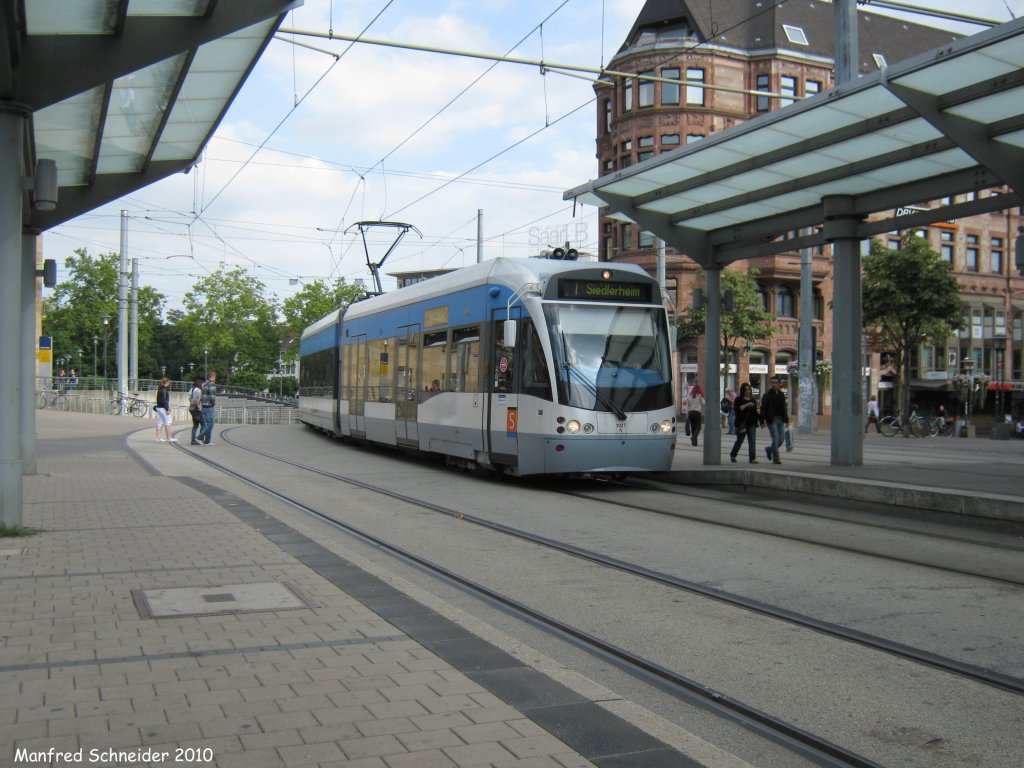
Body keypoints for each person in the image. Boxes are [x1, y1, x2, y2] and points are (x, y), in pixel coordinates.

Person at [760, 376, 789, 464]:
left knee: (781, 439)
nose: (774, 384)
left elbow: (784, 408)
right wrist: (761, 421)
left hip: (780, 419)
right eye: (772, 382)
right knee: (775, 438)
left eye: (776, 383)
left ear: (779, 384)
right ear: (770, 384)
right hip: (771, 420)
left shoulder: (781, 395)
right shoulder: (766, 395)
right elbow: (763, 409)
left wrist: (786, 420)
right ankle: (776, 459)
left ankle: (769, 449)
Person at [729, 383, 760, 463]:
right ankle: (733, 454)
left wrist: (761, 421)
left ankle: (752, 458)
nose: (747, 391)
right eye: (745, 390)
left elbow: (755, 412)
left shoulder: (753, 399)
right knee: (740, 441)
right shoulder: (738, 399)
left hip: (751, 423)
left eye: (749, 389)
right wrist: (746, 405)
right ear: (742, 391)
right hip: (741, 423)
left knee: (752, 441)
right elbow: (737, 409)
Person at [197, 371, 217, 446]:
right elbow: (212, 396)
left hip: (204, 405)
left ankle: (207, 441)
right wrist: (213, 403)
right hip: (209, 405)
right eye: (215, 376)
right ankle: (199, 437)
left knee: (208, 423)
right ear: (213, 376)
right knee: (211, 423)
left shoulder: (204, 384)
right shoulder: (212, 384)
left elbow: (202, 394)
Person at [154, 377, 175, 442]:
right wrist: (167, 409)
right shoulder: (164, 390)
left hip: (159, 407)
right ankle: (168, 437)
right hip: (163, 408)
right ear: (167, 383)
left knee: (160, 422)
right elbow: (164, 401)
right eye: (169, 382)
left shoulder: (160, 389)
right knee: (168, 422)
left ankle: (158, 437)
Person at [188, 376, 204, 445]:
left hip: (191, 408)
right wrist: (199, 407)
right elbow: (197, 400)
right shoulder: (198, 390)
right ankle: (200, 438)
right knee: (204, 425)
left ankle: (193, 440)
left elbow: (189, 399)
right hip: (196, 409)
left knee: (195, 425)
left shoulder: (191, 389)